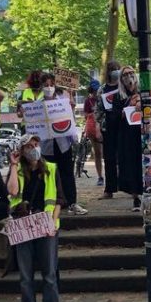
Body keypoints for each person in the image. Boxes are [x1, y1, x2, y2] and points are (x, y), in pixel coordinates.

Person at [5, 135, 65, 302]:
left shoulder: (51, 169)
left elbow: (58, 199)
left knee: (49, 273)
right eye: (29, 146)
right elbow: (12, 192)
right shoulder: (19, 171)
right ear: (22, 150)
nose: (34, 148)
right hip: (23, 226)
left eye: (36, 144)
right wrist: (13, 166)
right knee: (25, 275)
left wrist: (53, 223)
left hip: (46, 225)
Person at [39, 73, 88, 215]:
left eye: (51, 85)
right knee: (49, 174)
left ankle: (72, 202)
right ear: (42, 87)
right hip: (47, 146)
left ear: (55, 86)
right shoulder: (37, 105)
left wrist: (70, 109)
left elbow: (69, 121)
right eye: (46, 85)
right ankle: (53, 203)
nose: (49, 88)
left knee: (67, 173)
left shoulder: (63, 102)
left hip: (63, 144)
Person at [114, 66, 146, 211]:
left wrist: (142, 103)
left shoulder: (143, 91)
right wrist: (129, 104)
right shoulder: (118, 95)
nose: (129, 76)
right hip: (127, 136)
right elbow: (113, 117)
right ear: (121, 79)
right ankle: (136, 198)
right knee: (131, 166)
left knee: (145, 164)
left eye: (131, 73)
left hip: (144, 134)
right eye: (125, 74)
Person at [96, 61, 122, 199]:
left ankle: (130, 187)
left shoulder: (124, 87)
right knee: (109, 158)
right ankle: (109, 189)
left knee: (125, 157)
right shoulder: (102, 89)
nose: (115, 71)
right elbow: (98, 111)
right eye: (113, 69)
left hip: (124, 126)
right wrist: (98, 128)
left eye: (118, 69)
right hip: (108, 127)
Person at [83, 80, 106, 186]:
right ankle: (100, 176)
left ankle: (113, 175)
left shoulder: (103, 97)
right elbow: (85, 114)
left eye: (97, 90)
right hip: (92, 127)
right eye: (94, 90)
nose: (96, 92)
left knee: (109, 152)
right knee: (98, 153)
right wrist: (93, 113)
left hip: (104, 126)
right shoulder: (88, 101)